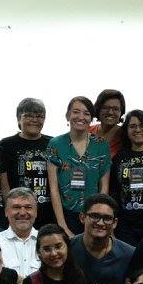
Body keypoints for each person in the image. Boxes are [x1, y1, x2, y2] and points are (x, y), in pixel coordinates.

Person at [47, 96, 111, 236]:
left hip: (93, 215)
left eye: (87, 113)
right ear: (67, 115)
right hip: (65, 213)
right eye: (76, 112)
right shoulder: (55, 144)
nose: (81, 117)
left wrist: (99, 216)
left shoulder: (101, 145)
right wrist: (62, 225)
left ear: (91, 118)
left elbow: (104, 188)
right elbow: (53, 188)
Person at [110, 109, 143, 246]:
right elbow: (113, 192)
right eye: (132, 126)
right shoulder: (118, 159)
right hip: (125, 228)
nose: (138, 129)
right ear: (126, 130)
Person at [0, 97, 53, 229]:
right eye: (29, 115)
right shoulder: (5, 145)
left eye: (39, 116)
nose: (34, 120)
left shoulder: (53, 144)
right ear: (19, 118)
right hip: (18, 214)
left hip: (48, 214)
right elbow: (3, 184)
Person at [70, 193, 136, 284]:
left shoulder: (130, 255)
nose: (100, 223)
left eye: (107, 218)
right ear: (82, 217)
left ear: (114, 223)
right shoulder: (67, 249)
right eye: (95, 216)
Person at [0, 189, 40, 277]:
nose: (22, 213)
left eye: (28, 207)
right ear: (6, 212)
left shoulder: (46, 241)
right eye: (16, 207)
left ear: (36, 212)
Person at [91, 89, 127, 159]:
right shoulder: (86, 131)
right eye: (105, 108)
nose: (110, 112)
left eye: (115, 109)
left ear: (121, 112)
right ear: (98, 109)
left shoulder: (127, 135)